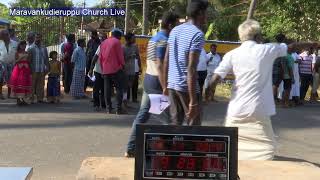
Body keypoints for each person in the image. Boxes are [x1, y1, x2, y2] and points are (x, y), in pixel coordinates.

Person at [208, 19, 316, 160]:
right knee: (265, 151)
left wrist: (207, 93)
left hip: (236, 111)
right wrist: (312, 44)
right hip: (259, 111)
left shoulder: (232, 54)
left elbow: (215, 78)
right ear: (258, 36)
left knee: (232, 151)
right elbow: (293, 47)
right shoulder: (267, 49)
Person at [125, 11, 180, 157]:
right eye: (176, 24)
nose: (177, 27)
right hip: (157, 82)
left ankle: (131, 148)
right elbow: (160, 65)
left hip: (149, 80)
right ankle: (167, 151)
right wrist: (165, 87)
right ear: (170, 25)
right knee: (168, 119)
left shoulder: (154, 38)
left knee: (143, 116)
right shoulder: (164, 40)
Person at [163, 0, 208, 126]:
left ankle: (173, 146)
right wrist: (193, 101)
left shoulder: (175, 31)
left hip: (172, 86)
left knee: (175, 125)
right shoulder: (197, 34)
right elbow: (191, 69)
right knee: (193, 127)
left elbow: (166, 59)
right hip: (186, 88)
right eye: (205, 13)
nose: (206, 16)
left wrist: (165, 86)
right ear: (200, 13)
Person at [99, 28, 125, 114]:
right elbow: (120, 56)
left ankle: (108, 108)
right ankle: (118, 108)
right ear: (117, 35)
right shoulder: (117, 42)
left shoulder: (103, 43)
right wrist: (122, 65)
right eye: (120, 36)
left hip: (106, 69)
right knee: (119, 89)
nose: (121, 38)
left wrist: (102, 69)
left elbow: (100, 58)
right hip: (116, 69)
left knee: (107, 89)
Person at [8, 40, 32, 105]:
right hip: (19, 69)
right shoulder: (17, 53)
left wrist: (28, 57)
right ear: (20, 46)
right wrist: (20, 58)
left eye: (25, 45)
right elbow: (15, 62)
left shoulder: (27, 52)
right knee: (19, 83)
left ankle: (23, 99)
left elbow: (29, 61)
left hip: (26, 69)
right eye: (22, 45)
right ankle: (18, 100)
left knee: (25, 83)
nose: (23, 46)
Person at [28, 33, 49, 103]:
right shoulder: (31, 48)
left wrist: (47, 68)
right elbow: (29, 60)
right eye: (36, 37)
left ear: (41, 38)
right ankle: (31, 98)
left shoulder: (44, 48)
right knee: (32, 85)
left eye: (39, 37)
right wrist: (30, 69)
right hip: (33, 69)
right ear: (34, 38)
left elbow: (46, 59)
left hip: (41, 69)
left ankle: (40, 98)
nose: (38, 39)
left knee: (41, 84)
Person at [123, 32, 141, 104]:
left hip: (133, 70)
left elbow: (138, 56)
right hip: (125, 70)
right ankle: (125, 102)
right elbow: (121, 60)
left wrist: (140, 66)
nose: (135, 39)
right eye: (133, 38)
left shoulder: (135, 46)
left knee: (130, 85)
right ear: (129, 39)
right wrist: (129, 57)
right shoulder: (123, 48)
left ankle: (128, 100)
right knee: (125, 87)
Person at [0, 29, 18, 99]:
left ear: (6, 35)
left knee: (11, 79)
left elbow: (18, 53)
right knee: (0, 78)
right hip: (1, 63)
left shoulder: (15, 43)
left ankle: (10, 94)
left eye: (1, 36)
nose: (0, 37)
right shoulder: (0, 43)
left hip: (12, 63)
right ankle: (0, 93)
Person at [88, 45, 106, 111]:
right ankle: (96, 104)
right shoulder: (101, 46)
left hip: (106, 71)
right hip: (97, 71)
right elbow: (95, 57)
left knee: (104, 88)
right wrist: (91, 69)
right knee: (96, 87)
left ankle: (104, 104)